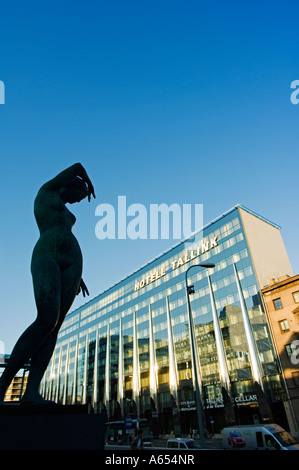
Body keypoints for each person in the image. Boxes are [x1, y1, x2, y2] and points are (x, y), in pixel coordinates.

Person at [0, 163, 95, 405]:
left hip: (73, 263)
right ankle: (3, 382)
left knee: (55, 327)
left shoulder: (64, 208)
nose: (77, 202)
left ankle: (31, 391)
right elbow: (77, 166)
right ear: (72, 186)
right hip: (46, 255)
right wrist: (88, 179)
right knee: (45, 320)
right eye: (79, 196)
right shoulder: (47, 193)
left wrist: (77, 277)